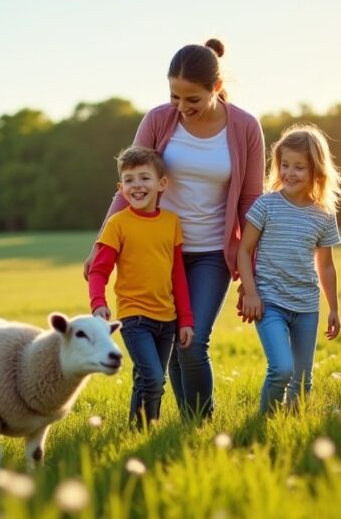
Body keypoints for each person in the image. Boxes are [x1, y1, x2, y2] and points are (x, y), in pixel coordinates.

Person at [85, 38, 265, 420]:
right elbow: (130, 184)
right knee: (171, 344)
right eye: (174, 98)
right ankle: (187, 425)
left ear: (216, 89)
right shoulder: (157, 120)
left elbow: (252, 200)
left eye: (193, 101)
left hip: (212, 253)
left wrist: (250, 269)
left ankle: (201, 420)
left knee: (193, 342)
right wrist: (101, 242)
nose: (182, 109)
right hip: (157, 251)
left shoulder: (246, 127)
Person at [237, 123, 341, 414]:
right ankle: (265, 423)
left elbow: (326, 266)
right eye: (285, 165)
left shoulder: (323, 215)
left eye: (299, 167)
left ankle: (293, 426)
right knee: (281, 369)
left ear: (316, 172)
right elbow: (244, 250)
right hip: (269, 302)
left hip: (306, 307)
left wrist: (333, 308)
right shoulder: (267, 206)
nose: (289, 173)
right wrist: (250, 294)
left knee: (302, 381)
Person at [88, 146, 195, 427]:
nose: (137, 185)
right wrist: (98, 303)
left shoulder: (171, 223)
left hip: (168, 320)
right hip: (134, 317)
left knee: (148, 379)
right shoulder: (118, 224)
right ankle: (147, 427)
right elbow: (99, 270)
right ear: (121, 187)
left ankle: (139, 430)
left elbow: (178, 276)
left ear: (161, 184)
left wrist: (185, 319)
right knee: (153, 378)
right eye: (130, 179)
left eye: (144, 178)